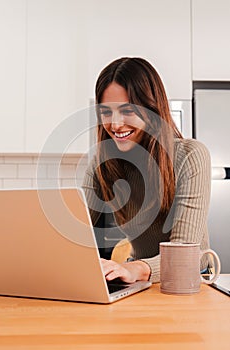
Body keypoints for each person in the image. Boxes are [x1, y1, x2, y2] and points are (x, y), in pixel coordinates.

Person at [82, 57, 212, 284]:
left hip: (192, 280)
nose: (115, 124)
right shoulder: (102, 162)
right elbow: (75, 223)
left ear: (152, 109)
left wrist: (136, 269)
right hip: (140, 278)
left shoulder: (190, 156)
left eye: (127, 111)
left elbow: (184, 254)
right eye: (106, 112)